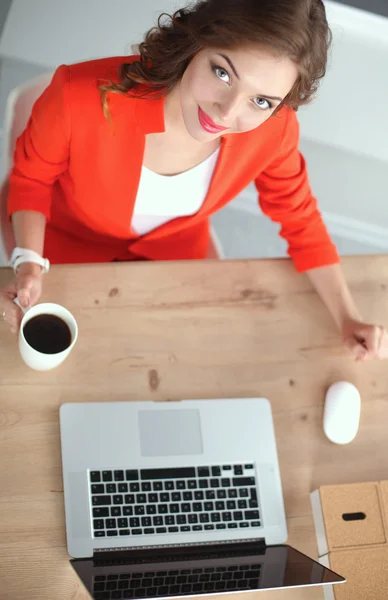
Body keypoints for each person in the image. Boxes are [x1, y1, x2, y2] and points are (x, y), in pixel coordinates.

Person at [0, 0, 387, 360]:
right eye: (222, 72)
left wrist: (347, 316)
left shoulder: (275, 130)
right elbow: (32, 179)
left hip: (176, 254)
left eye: (262, 101)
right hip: (68, 247)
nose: (226, 112)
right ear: (195, 42)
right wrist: (29, 260)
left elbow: (300, 220)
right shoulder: (78, 95)